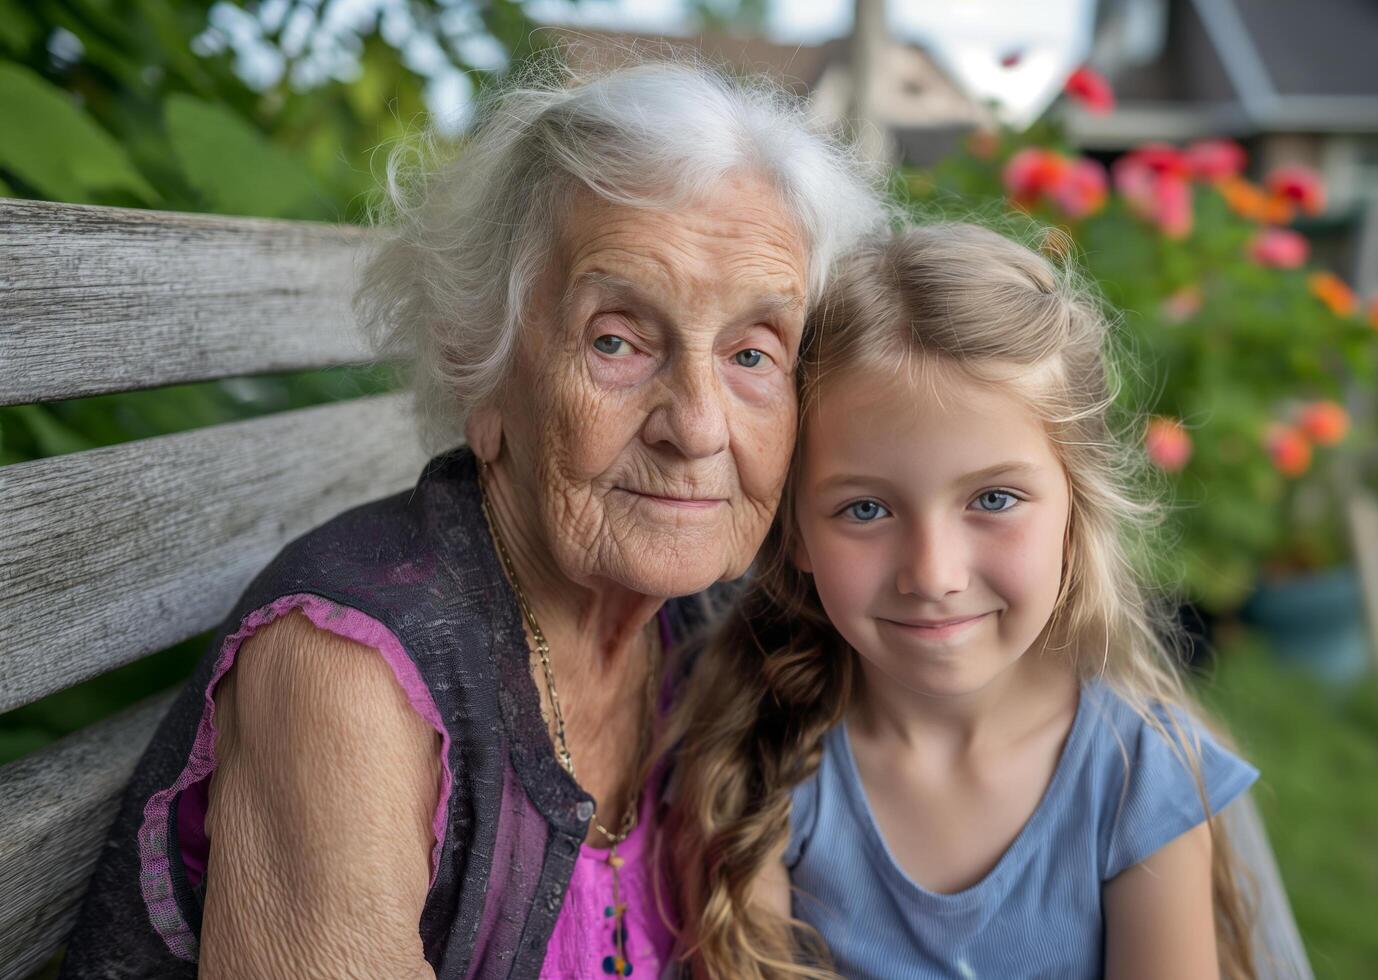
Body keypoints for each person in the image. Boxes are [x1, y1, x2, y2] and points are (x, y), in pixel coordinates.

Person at [60, 60, 885, 979]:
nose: (697, 426)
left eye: (751, 353)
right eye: (615, 339)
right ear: (478, 371)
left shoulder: (706, 637)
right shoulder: (347, 671)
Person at [667, 222, 1260, 979]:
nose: (934, 574)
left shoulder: (1140, 782)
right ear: (796, 536)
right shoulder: (759, 761)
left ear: (1076, 512)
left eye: (994, 497)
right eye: (866, 510)